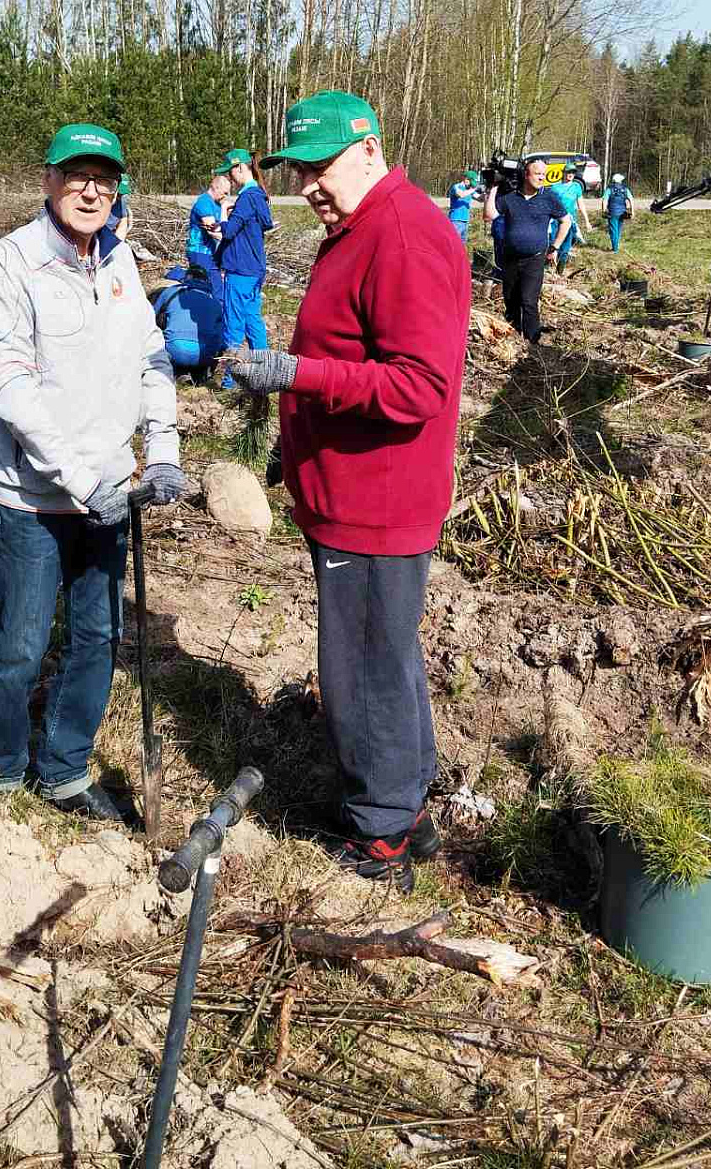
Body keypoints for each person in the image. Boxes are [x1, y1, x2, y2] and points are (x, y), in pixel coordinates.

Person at [230, 90, 470, 892]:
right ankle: (405, 806)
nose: (308, 187)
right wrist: (294, 439)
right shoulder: (359, 226)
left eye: (320, 167)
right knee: (385, 658)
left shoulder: (401, 234)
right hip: (348, 490)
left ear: (370, 148)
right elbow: (355, 349)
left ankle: (380, 843)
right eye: (299, 171)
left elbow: (417, 386)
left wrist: (297, 377)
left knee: (361, 670)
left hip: (377, 504)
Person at [0, 122, 185, 817]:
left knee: (99, 638)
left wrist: (164, 448)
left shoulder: (121, 262)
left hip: (111, 495)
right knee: (21, 646)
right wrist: (75, 475)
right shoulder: (11, 262)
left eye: (105, 178)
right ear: (49, 181)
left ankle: (63, 767)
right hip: (34, 497)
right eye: (77, 175)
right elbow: (10, 385)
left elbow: (151, 357)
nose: (92, 190)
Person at [485, 160, 570, 343]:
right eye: (537, 173)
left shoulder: (549, 198)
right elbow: (489, 215)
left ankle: (533, 344)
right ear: (526, 174)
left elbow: (566, 221)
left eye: (543, 174)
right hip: (510, 258)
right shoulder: (511, 198)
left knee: (529, 301)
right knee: (510, 300)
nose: (542, 177)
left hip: (535, 258)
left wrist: (555, 247)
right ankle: (512, 339)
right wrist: (493, 188)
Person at [217, 149, 273, 389]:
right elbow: (265, 223)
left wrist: (222, 215)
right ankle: (265, 375)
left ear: (240, 168)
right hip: (255, 270)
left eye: (230, 172)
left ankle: (231, 384)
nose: (229, 178)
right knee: (253, 323)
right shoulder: (259, 195)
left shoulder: (247, 197)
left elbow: (228, 232)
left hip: (240, 271)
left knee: (234, 327)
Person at [186, 167, 232, 298]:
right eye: (225, 192)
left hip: (211, 253)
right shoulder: (204, 203)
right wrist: (231, 240)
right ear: (216, 187)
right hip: (199, 252)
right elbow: (213, 230)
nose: (226, 196)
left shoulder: (217, 204)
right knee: (202, 289)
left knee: (218, 288)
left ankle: (215, 314)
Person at [551, 163, 593, 274]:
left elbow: (581, 204)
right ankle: (548, 270)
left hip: (569, 221)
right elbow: (549, 205)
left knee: (565, 248)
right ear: (563, 173)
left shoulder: (576, 187)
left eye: (573, 172)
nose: (570, 174)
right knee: (554, 245)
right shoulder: (555, 187)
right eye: (568, 172)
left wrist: (587, 221)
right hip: (556, 220)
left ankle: (559, 272)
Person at [447, 168, 481, 244]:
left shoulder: (469, 190)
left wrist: (488, 192)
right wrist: (474, 189)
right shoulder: (456, 186)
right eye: (471, 182)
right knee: (454, 244)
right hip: (455, 220)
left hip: (465, 221)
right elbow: (461, 194)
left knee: (462, 246)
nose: (472, 185)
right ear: (466, 179)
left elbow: (480, 198)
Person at [601, 173, 633, 253]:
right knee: (618, 229)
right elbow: (631, 200)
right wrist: (632, 211)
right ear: (621, 180)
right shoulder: (625, 189)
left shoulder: (609, 189)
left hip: (612, 212)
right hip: (622, 213)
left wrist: (603, 210)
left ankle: (615, 249)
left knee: (613, 230)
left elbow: (604, 200)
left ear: (613, 180)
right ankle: (616, 246)